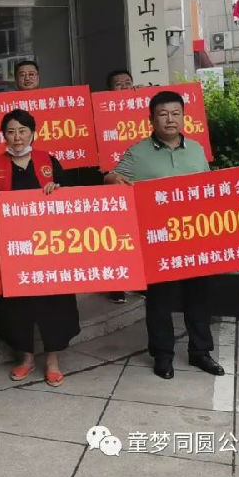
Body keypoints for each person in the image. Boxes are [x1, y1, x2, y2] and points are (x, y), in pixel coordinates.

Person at [104, 90, 224, 380]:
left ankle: (200, 352)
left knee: (198, 297)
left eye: (175, 113)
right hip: (158, 240)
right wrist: (114, 178)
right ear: (151, 119)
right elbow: (111, 177)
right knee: (159, 300)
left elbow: (209, 186)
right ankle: (163, 355)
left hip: (194, 237)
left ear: (184, 117)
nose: (170, 119)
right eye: (163, 114)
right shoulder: (138, 152)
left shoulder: (196, 149)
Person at [0, 109, 80, 385]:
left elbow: (71, 197)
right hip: (13, 249)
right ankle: (25, 358)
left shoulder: (48, 161)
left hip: (49, 247)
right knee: (16, 304)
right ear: (4, 135)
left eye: (22, 131)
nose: (17, 137)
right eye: (11, 132)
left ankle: (52, 360)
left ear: (33, 133)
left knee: (54, 302)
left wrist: (57, 189)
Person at [104, 68, 136, 304]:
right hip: (111, 182)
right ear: (109, 89)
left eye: (128, 83)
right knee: (115, 235)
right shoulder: (100, 112)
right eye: (118, 84)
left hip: (139, 182)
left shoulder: (145, 113)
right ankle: (116, 284)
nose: (124, 87)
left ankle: (141, 281)